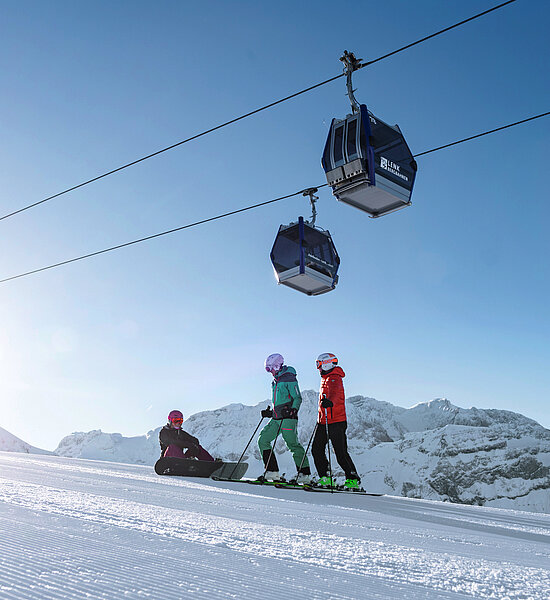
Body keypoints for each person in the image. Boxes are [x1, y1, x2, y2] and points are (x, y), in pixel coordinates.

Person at [258, 353, 312, 483]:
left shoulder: (289, 378)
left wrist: (293, 410)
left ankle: (304, 474)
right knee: (263, 439)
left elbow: (297, 397)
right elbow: (279, 401)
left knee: (292, 444)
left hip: (288, 418)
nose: (269, 371)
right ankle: (272, 472)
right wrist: (271, 413)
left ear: (277, 366)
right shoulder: (275, 381)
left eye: (270, 368)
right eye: (267, 369)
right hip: (277, 419)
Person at [311, 353, 361, 489]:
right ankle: (325, 478)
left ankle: (353, 480)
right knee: (316, 449)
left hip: (336, 420)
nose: (318, 368)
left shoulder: (335, 378)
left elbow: (337, 395)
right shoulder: (325, 378)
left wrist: (330, 402)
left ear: (326, 363)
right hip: (323, 421)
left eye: (319, 365)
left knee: (340, 452)